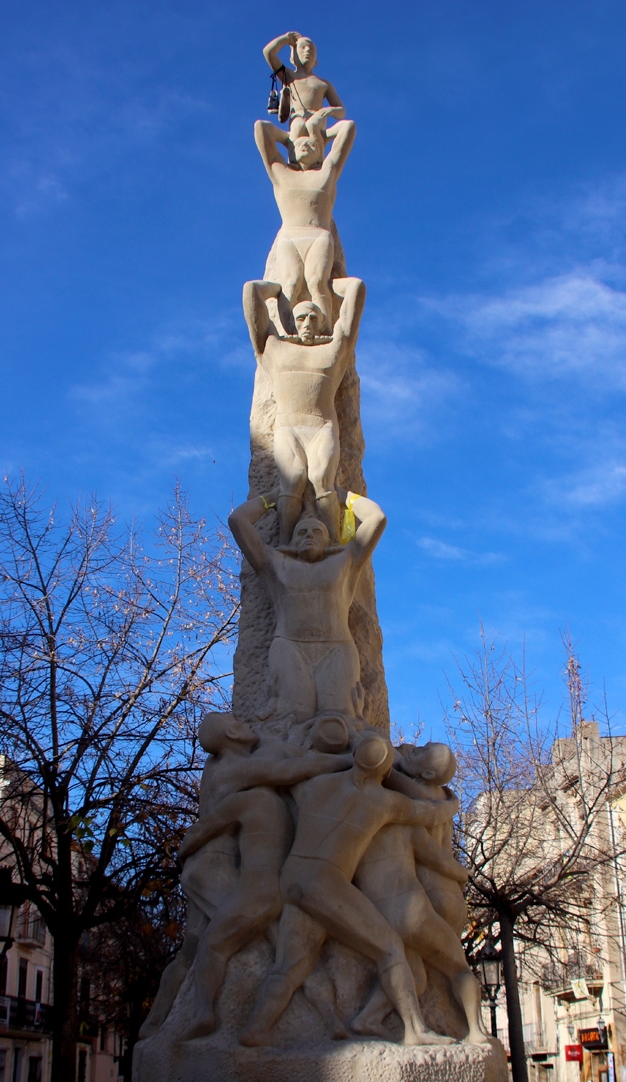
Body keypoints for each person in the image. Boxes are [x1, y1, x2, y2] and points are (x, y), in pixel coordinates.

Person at [138, 712, 350, 1039]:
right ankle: (202, 1015)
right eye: (239, 724)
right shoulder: (240, 775)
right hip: (219, 867)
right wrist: (350, 761)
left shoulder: (214, 767)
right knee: (255, 944)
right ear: (233, 737)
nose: (248, 725)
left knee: (192, 948)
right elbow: (290, 770)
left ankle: (156, 1024)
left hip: (203, 866)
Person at [240, 735, 455, 1047]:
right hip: (325, 883)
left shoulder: (316, 785)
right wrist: (452, 802)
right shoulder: (383, 801)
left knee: (291, 964)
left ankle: (256, 1028)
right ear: (385, 773)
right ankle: (414, 1030)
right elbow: (431, 813)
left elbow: (281, 775)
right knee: (391, 950)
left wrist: (337, 759)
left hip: (293, 879)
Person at [351, 743, 489, 1043]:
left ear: (426, 772)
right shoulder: (436, 798)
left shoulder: (410, 808)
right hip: (444, 893)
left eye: (419, 752)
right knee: (418, 971)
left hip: (429, 896)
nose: (411, 750)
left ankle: (474, 1032)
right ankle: (370, 1017)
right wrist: (462, 875)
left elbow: (386, 765)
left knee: (451, 967)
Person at [228, 488, 385, 723]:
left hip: (337, 648)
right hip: (290, 647)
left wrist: (345, 498)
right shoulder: (274, 562)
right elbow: (238, 520)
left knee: (339, 721)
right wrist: (272, 499)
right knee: (289, 718)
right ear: (292, 540)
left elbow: (377, 518)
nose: (309, 535)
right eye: (302, 532)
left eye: (316, 531)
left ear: (328, 540)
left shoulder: (346, 560)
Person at [243, 276, 365, 543]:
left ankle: (332, 544)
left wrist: (328, 286)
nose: (307, 324)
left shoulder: (335, 348)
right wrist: (276, 290)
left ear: (323, 322)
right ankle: (286, 545)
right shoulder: (274, 348)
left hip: (322, 426)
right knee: (292, 481)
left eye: (313, 318)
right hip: (289, 427)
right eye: (300, 318)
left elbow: (356, 289)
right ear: (292, 322)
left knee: (322, 480)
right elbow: (251, 292)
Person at [253, 116, 355, 331]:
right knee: (289, 285)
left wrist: (320, 133)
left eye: (312, 144)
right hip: (289, 237)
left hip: (318, 235)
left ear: (321, 151)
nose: (306, 145)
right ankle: (290, 332)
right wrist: (289, 136)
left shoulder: (327, 172)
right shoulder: (281, 173)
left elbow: (348, 127)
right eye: (301, 145)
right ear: (291, 150)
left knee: (318, 283)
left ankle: (324, 331)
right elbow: (261, 129)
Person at [263, 31, 345, 140]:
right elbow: (268, 52)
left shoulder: (323, 84)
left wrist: (330, 111)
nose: (307, 51)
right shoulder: (289, 76)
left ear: (316, 61)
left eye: (311, 49)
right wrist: (286, 39)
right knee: (298, 127)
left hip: (317, 122)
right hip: (297, 120)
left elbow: (341, 111)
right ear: (293, 57)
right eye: (303, 47)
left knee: (337, 126)